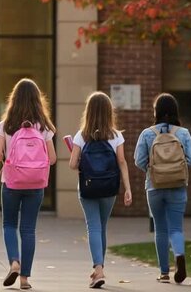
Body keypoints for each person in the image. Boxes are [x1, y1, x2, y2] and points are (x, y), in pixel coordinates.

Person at [0, 78, 57, 290]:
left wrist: (7, 156)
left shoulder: (6, 125)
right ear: (38, 100)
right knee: (28, 229)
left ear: (14, 100)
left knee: (9, 224)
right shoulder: (44, 126)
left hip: (11, 183)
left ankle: (14, 262)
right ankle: (25, 279)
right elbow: (53, 158)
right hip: (36, 184)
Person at [68, 91, 132, 288]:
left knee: (93, 226)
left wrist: (78, 157)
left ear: (88, 112)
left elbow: (72, 165)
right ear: (108, 112)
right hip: (109, 188)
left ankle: (98, 269)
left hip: (87, 189)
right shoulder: (116, 136)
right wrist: (128, 188)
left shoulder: (81, 136)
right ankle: (99, 268)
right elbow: (122, 162)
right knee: (101, 227)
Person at [134, 93, 191, 284]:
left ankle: (163, 273)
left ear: (156, 112)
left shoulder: (147, 134)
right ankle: (179, 255)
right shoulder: (183, 133)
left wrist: (153, 170)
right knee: (176, 227)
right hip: (177, 185)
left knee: (160, 229)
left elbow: (138, 161)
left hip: (154, 187)